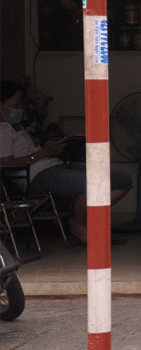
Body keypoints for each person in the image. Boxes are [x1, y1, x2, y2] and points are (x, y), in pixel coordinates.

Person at [0, 81, 132, 243]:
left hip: (55, 165)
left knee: (124, 181)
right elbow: (7, 163)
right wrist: (44, 152)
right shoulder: (3, 130)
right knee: (91, 185)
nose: (20, 108)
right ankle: (78, 225)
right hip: (37, 177)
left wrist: (50, 148)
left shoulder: (18, 128)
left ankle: (85, 220)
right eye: (16, 103)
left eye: (21, 104)